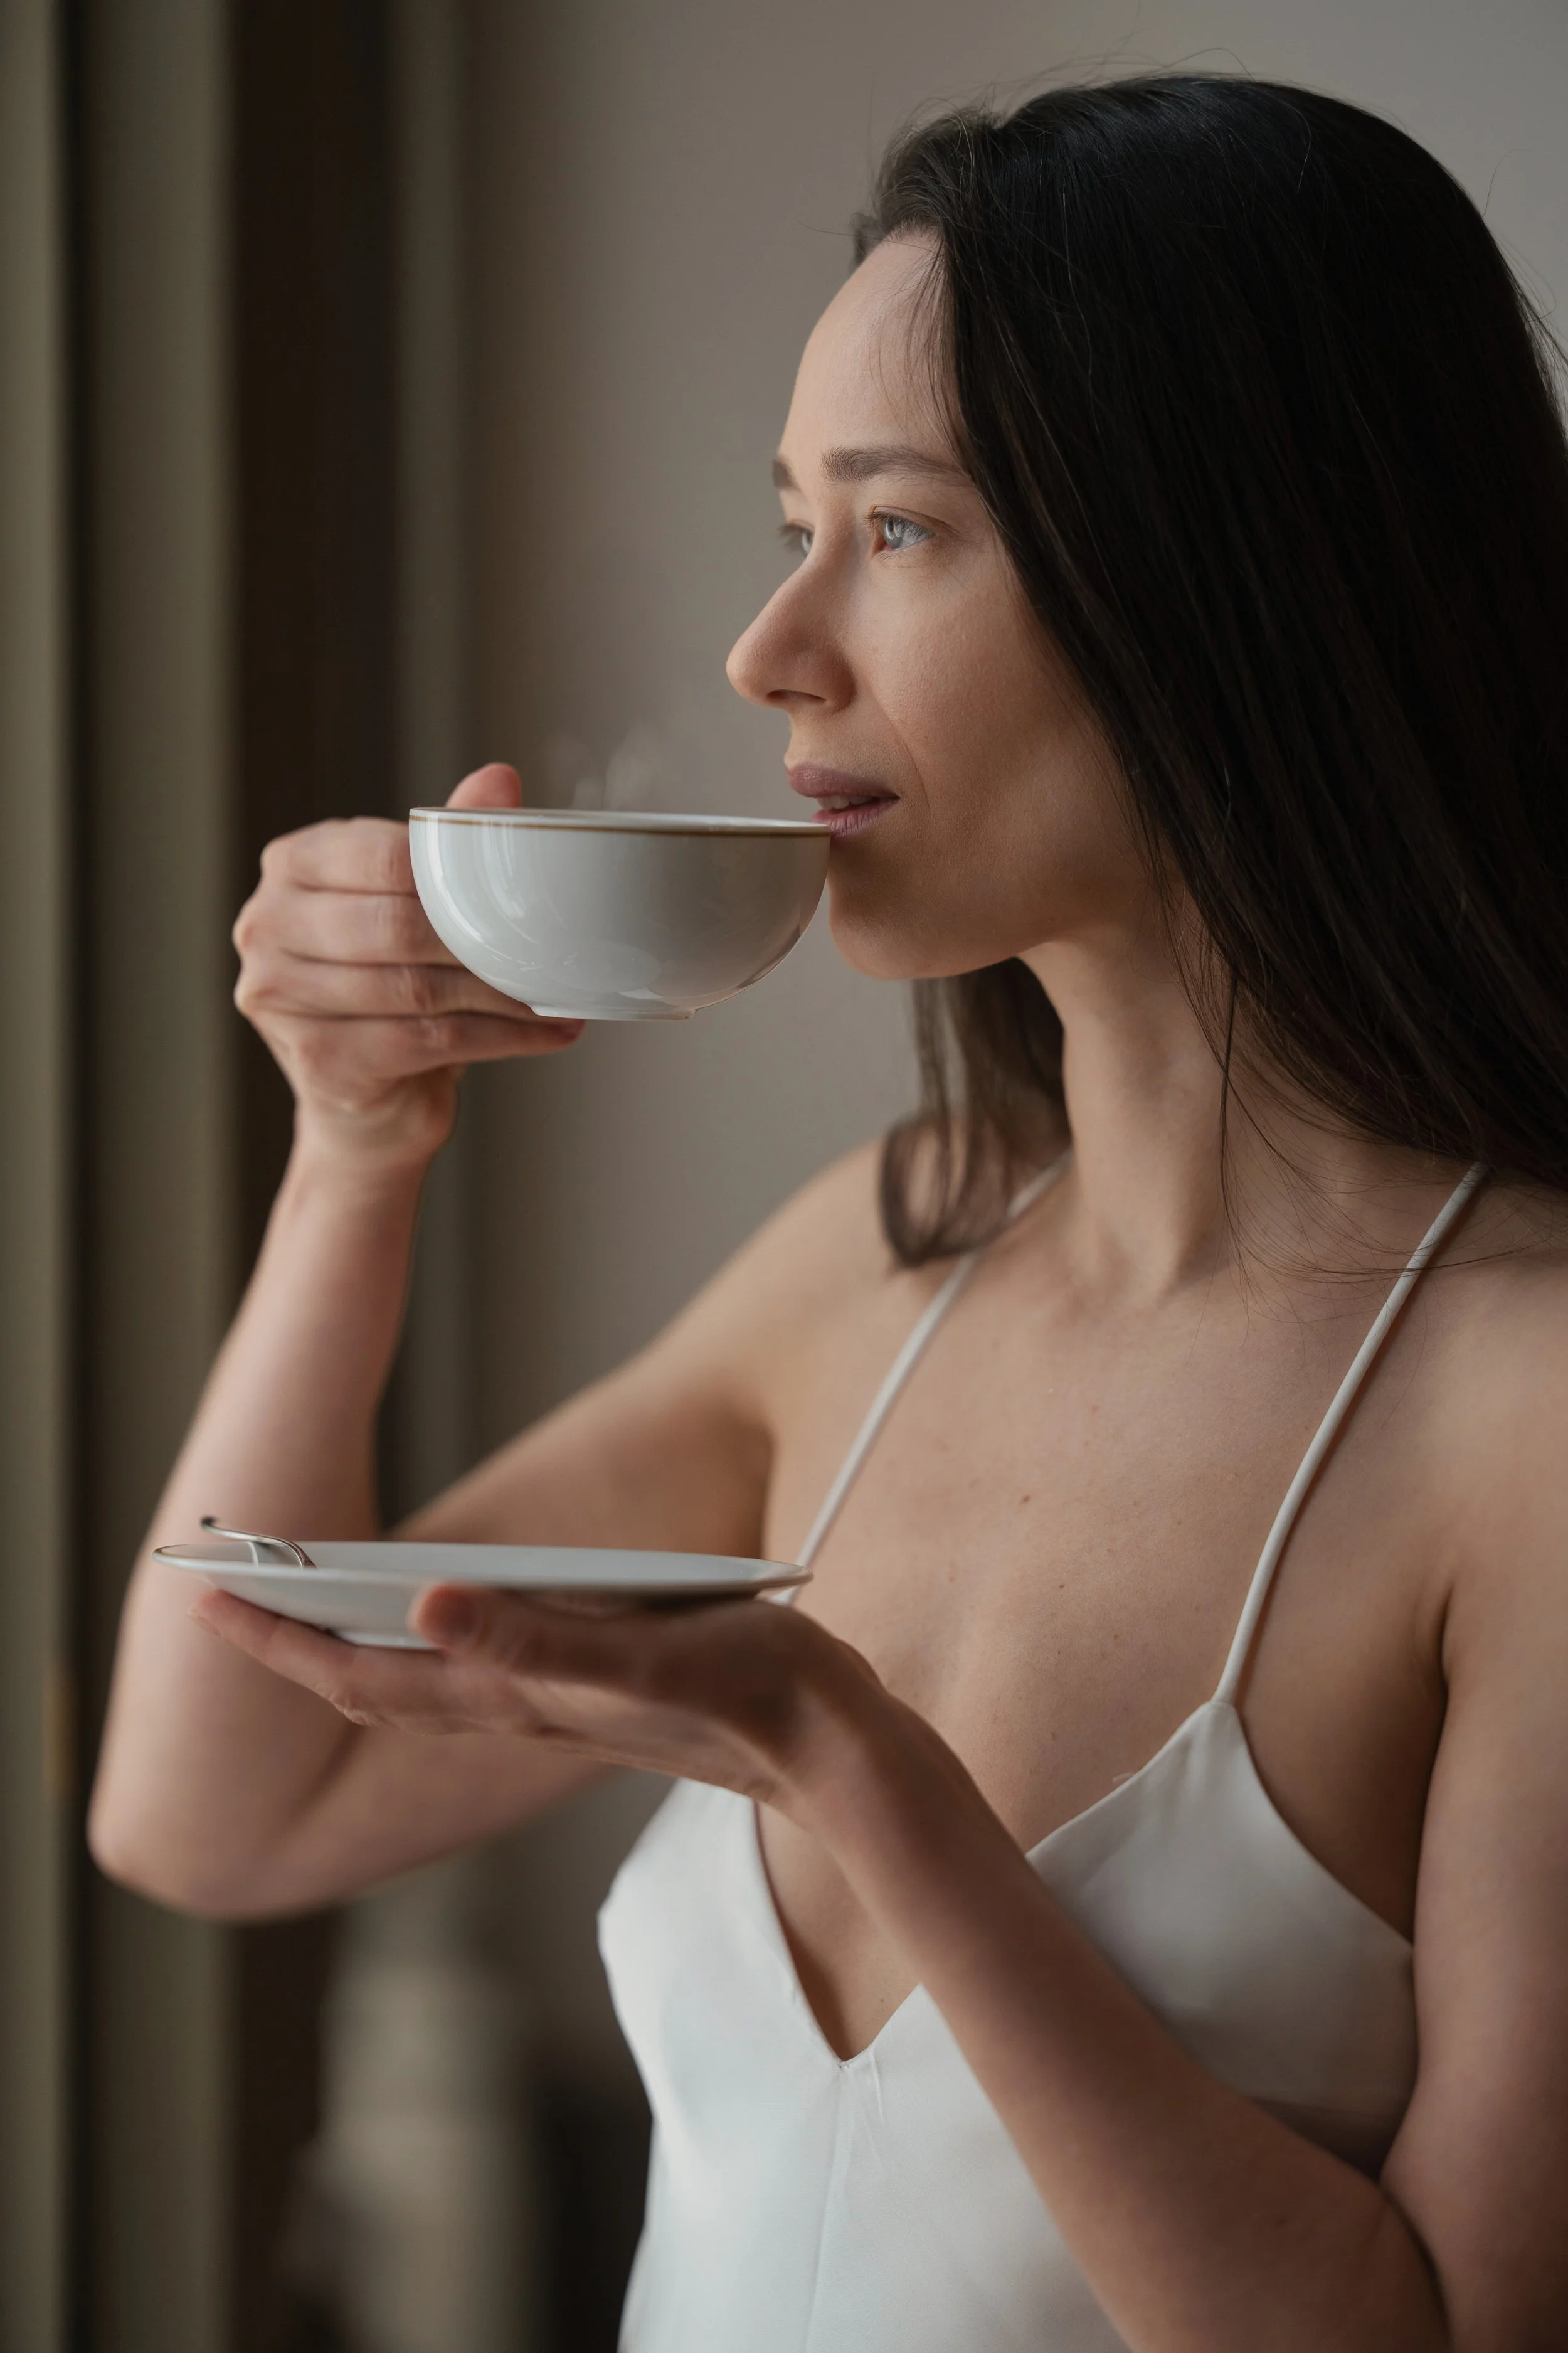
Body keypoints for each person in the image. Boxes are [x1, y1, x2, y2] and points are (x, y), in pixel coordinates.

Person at [90, 75, 1568, 2352]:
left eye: (895, 532)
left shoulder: (1524, 1407)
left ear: (1231, 577)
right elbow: (217, 1804)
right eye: (794, 522)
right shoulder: (876, 1258)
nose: (768, 651)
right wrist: (351, 1159)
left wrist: (855, 1766)